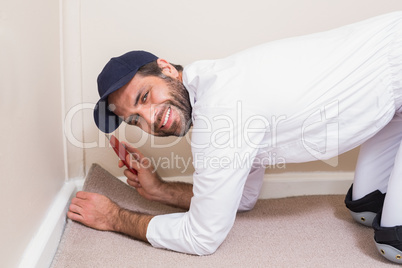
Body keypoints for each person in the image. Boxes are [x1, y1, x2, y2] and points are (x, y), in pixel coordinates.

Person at [67, 12, 402, 263]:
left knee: (393, 244)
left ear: (166, 68)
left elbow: (202, 236)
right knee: (365, 209)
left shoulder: (221, 111)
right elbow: (243, 198)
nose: (152, 118)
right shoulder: (213, 85)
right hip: (391, 88)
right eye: (135, 120)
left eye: (144, 97)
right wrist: (160, 190)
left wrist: (115, 218)